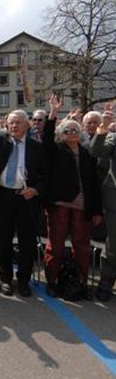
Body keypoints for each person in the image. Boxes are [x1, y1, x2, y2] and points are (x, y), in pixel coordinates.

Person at [0, 95, 47, 297]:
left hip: (26, 198)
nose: (13, 125)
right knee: (2, 241)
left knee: (27, 243)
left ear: (27, 124)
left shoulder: (36, 147)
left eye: (18, 122)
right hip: (2, 197)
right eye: (11, 122)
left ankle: (23, 281)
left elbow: (46, 176)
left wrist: (36, 189)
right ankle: (5, 279)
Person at [42, 94, 103, 299]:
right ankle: (52, 280)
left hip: (81, 205)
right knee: (56, 245)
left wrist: (96, 210)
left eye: (75, 129)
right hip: (59, 203)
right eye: (67, 130)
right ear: (61, 133)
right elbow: (46, 138)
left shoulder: (87, 153)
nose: (71, 132)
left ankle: (81, 282)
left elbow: (93, 184)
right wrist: (53, 113)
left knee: (81, 246)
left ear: (81, 132)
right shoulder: (56, 150)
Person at [89, 110, 116, 301]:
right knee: (113, 244)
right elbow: (96, 151)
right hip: (114, 198)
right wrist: (103, 130)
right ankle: (106, 282)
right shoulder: (112, 137)